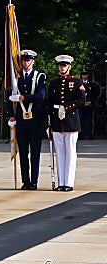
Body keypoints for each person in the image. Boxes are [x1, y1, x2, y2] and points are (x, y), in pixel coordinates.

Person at [7, 49, 46, 190]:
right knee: (23, 152)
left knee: (35, 152)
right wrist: (11, 114)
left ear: (33, 61)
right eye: (24, 60)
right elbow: (9, 98)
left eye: (28, 60)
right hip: (21, 120)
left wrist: (24, 98)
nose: (26, 63)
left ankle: (34, 181)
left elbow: (40, 96)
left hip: (35, 120)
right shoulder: (16, 78)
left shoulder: (39, 76)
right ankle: (25, 181)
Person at [48, 55, 85, 191]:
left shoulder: (76, 82)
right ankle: (61, 182)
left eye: (64, 65)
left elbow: (81, 100)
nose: (62, 67)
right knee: (60, 154)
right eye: (60, 65)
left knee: (70, 153)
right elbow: (50, 104)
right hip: (57, 122)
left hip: (70, 121)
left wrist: (67, 107)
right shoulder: (53, 84)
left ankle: (68, 183)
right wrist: (49, 123)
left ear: (69, 66)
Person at [78, 69, 101, 140]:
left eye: (85, 74)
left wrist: (91, 101)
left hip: (89, 105)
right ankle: (80, 135)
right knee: (80, 120)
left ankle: (89, 135)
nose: (84, 75)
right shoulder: (78, 84)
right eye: (83, 74)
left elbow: (96, 94)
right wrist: (81, 102)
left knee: (89, 120)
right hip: (81, 105)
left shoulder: (93, 84)